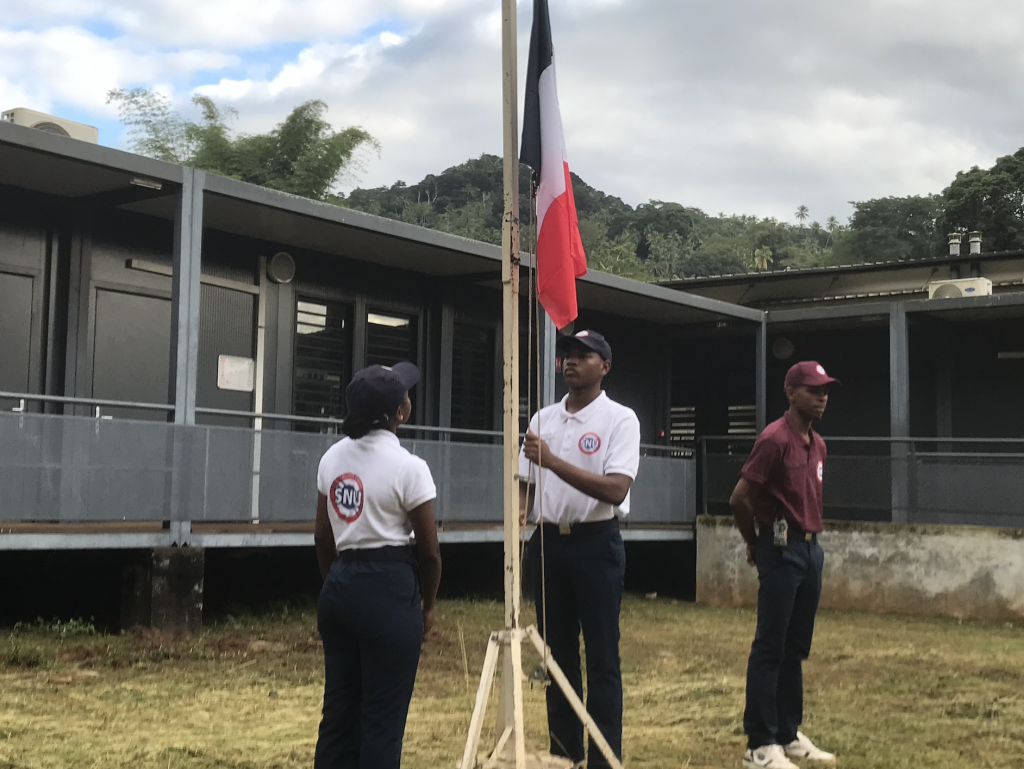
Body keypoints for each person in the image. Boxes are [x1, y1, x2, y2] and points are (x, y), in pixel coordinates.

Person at [518, 329, 641, 769]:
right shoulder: (542, 419)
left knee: (603, 654)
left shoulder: (620, 420)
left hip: (595, 541)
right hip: (549, 543)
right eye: (567, 355)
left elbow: (615, 488)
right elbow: (526, 487)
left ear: (604, 367)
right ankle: (564, 754)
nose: (571, 362)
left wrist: (552, 461)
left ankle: (604, 758)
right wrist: (519, 525)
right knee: (556, 655)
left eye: (584, 356)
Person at [313, 361, 442, 769]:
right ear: (400, 412)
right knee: (382, 723)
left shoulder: (332, 458)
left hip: (340, 582)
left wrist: (334, 581)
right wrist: (428, 604)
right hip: (389, 586)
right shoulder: (409, 467)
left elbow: (322, 536)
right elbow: (430, 552)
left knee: (338, 715)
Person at [729, 361, 839, 769]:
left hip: (811, 550)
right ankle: (760, 744)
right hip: (781, 548)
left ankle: (789, 734)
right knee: (770, 647)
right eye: (813, 389)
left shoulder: (819, 444)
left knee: (796, 646)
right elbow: (740, 498)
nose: (822, 396)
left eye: (826, 390)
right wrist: (755, 543)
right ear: (791, 393)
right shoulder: (775, 439)